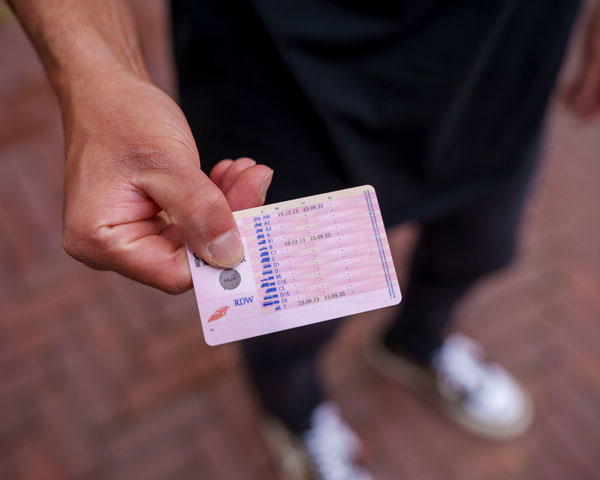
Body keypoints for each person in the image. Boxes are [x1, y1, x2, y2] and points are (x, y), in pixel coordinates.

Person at [9, 0, 600, 479]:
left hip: (502, 69)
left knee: (481, 249)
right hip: (282, 81)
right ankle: (297, 418)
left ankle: (415, 344)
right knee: (287, 323)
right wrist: (93, 75)